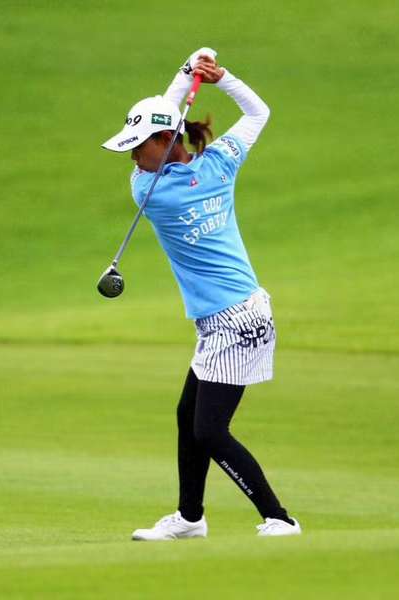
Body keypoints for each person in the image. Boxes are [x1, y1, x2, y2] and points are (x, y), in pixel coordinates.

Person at [101, 48, 301, 539]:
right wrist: (207, 75)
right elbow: (256, 112)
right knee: (186, 415)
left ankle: (279, 518)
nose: (132, 157)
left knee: (209, 431)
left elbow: (257, 114)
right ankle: (190, 517)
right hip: (219, 321)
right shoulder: (196, 173)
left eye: (138, 145)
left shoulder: (150, 188)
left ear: (166, 140)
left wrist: (194, 73)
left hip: (239, 319)